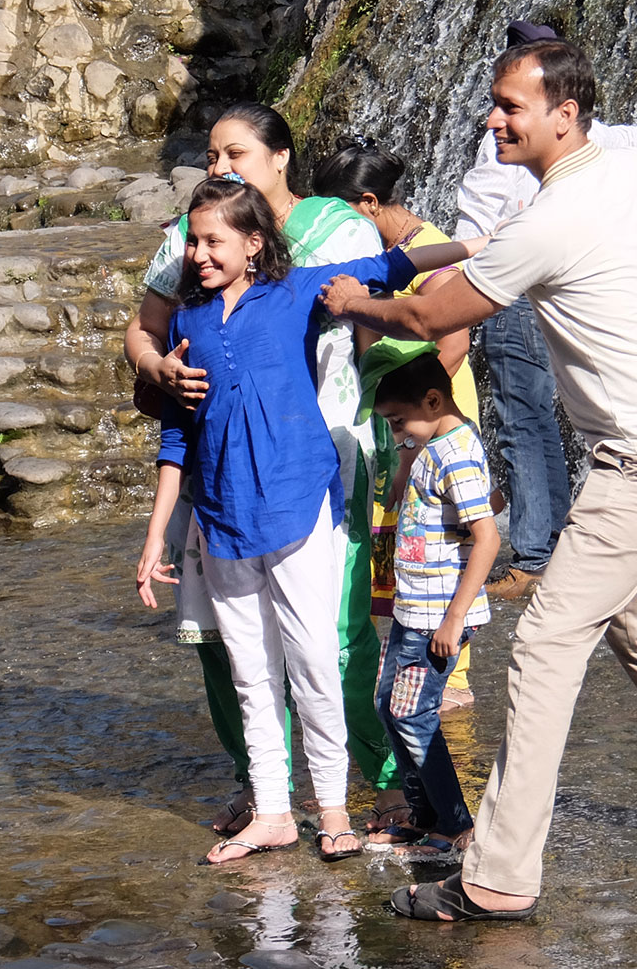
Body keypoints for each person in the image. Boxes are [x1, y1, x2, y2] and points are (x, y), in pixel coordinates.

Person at [318, 38, 637, 920]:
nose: (492, 118)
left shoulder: (546, 224)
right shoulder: (623, 169)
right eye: (494, 102)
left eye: (510, 106)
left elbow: (430, 313)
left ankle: (498, 878)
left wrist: (353, 302)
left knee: (545, 644)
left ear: (564, 115)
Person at [134, 177, 482, 863]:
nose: (197, 255)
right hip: (224, 517)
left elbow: (388, 266)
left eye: (212, 241)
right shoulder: (186, 324)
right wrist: (154, 539)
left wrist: (480, 245)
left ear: (253, 243)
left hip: (297, 505)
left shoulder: (294, 294)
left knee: (315, 659)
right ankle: (272, 812)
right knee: (251, 670)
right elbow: (176, 439)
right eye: (192, 242)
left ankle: (331, 809)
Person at [124, 103, 410, 837]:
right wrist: (159, 369)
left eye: (236, 153)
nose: (219, 165)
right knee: (229, 646)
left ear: (281, 158)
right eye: (212, 155)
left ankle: (382, 785)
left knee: (333, 639)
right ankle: (264, 791)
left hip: (321, 457)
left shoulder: (333, 232)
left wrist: (406, 421)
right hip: (220, 463)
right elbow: (149, 330)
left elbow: (380, 301)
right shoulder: (191, 239)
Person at [458, 20, 637, 601]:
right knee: (536, 420)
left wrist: (399, 290)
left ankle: (534, 555)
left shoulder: (510, 144)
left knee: (521, 422)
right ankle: (548, 544)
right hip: (561, 290)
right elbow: (632, 141)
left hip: (511, 286)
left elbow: (475, 229)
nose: (498, 116)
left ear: (556, 104)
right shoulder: (590, 144)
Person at [313, 138, 482, 717]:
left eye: (338, 214)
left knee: (444, 531)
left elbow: (453, 341)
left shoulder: (428, 252)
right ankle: (408, 649)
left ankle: (453, 671)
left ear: (368, 204)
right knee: (405, 535)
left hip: (431, 413)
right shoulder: (383, 250)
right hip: (400, 415)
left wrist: (415, 427)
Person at [365, 351, 498, 860]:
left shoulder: (456, 455)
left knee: (414, 714)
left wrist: (455, 619)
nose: (397, 433)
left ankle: (454, 824)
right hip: (413, 609)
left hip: (439, 616)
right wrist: (406, 459)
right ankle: (423, 816)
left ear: (434, 401)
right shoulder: (432, 444)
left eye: (399, 422)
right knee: (388, 705)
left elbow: (487, 537)